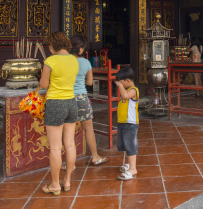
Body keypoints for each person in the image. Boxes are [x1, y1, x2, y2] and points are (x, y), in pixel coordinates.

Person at [39, 32, 79, 196]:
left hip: (55, 103)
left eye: (49, 46)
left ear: (53, 46)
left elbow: (43, 84)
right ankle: (67, 181)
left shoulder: (50, 60)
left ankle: (55, 184)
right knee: (70, 144)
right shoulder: (74, 60)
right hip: (71, 102)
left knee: (55, 148)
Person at [70, 35, 107, 166]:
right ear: (80, 49)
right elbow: (90, 82)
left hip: (67, 97)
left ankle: (70, 163)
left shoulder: (66, 61)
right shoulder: (86, 63)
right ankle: (95, 156)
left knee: (68, 131)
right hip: (81, 97)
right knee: (89, 128)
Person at [114, 67, 139, 181]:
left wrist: (119, 86)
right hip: (123, 122)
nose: (120, 84)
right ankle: (129, 164)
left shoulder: (134, 90)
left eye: (121, 82)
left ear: (128, 81)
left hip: (130, 123)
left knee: (130, 146)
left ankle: (133, 169)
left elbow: (125, 96)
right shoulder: (127, 90)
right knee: (125, 145)